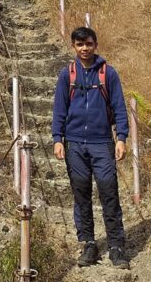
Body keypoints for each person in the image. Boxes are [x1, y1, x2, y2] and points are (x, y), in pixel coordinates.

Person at [52, 26, 130, 269]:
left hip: (102, 143)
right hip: (74, 143)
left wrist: (121, 138)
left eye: (88, 44)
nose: (84, 49)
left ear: (96, 45)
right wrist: (57, 138)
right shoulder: (68, 74)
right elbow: (59, 109)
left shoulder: (109, 73)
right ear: (74, 47)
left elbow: (119, 107)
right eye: (79, 44)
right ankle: (88, 244)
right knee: (81, 194)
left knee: (109, 191)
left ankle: (116, 246)